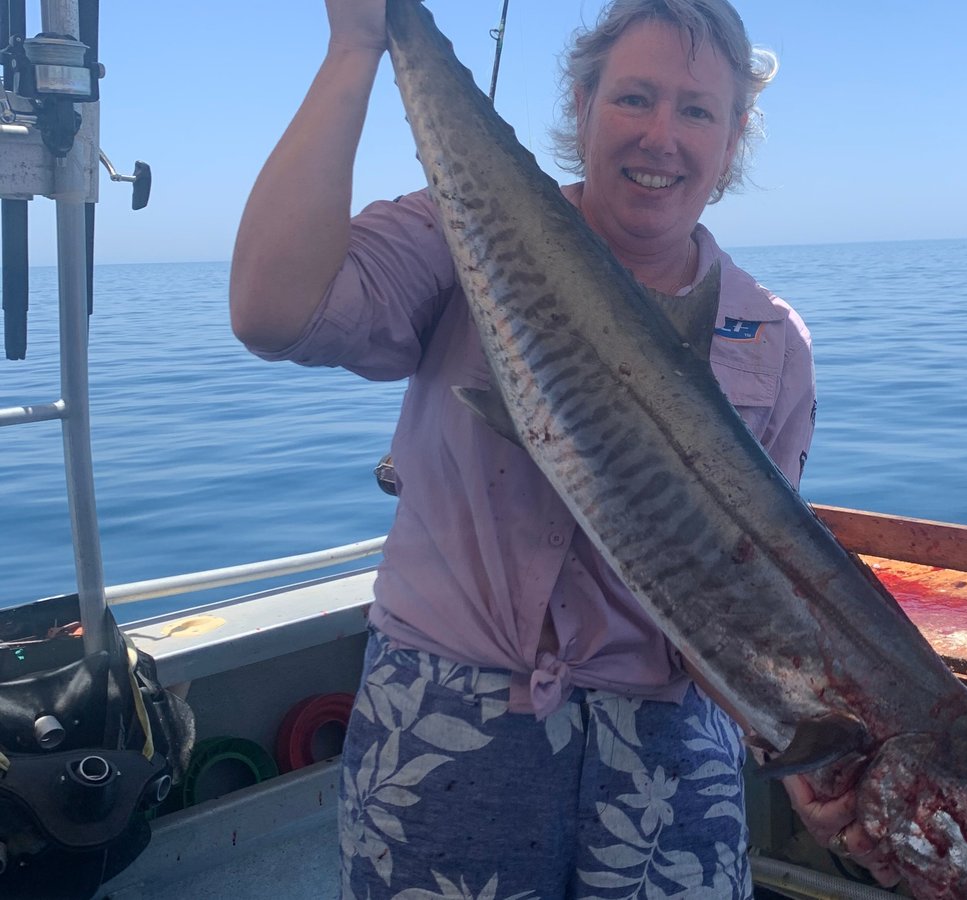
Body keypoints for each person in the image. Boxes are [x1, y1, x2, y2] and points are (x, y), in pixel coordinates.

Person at [229, 0, 899, 896]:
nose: (661, 136)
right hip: (445, 716)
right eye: (633, 98)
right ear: (582, 104)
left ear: (734, 136)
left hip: (666, 752)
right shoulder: (458, 232)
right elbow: (273, 313)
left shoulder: (771, 340)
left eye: (697, 110)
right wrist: (358, 41)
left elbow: (737, 598)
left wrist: (805, 747)